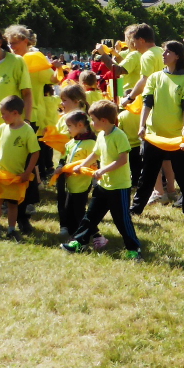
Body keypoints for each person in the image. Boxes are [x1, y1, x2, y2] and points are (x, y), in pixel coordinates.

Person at [130, 41, 184, 223]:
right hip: (154, 135)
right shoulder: (155, 77)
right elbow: (147, 102)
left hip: (176, 138)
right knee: (147, 176)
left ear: (177, 56)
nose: (163, 54)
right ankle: (135, 209)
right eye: (163, 51)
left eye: (167, 52)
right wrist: (142, 125)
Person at [62, 99, 141, 258]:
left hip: (119, 187)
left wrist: (102, 170)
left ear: (103, 120)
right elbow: (96, 154)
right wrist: (81, 165)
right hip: (103, 185)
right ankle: (79, 242)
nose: (91, 123)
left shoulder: (119, 136)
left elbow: (122, 160)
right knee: (91, 216)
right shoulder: (101, 135)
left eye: (93, 120)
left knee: (122, 220)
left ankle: (133, 249)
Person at [0, 95, 40, 242]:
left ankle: (11, 230)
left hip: (15, 175)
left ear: (15, 113)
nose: (1, 117)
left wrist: (27, 172)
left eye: (3, 114)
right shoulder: (2, 128)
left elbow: (35, 152)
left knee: (13, 203)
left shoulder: (27, 131)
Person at [57, 109, 97, 237]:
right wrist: (61, 167)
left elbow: (94, 164)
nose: (67, 129)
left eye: (69, 126)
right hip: (70, 183)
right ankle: (74, 233)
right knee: (69, 209)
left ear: (80, 125)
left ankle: (92, 234)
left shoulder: (91, 144)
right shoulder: (70, 143)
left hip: (82, 183)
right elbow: (64, 159)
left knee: (79, 211)